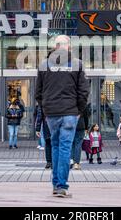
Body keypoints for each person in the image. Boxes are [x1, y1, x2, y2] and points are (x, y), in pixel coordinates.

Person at [35, 35, 90, 198]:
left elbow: (38, 92)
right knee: (65, 147)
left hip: (51, 113)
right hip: (70, 112)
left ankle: (56, 185)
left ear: (55, 46)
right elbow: (84, 91)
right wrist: (79, 110)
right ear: (68, 47)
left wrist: (45, 109)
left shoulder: (44, 65)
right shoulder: (77, 64)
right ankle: (61, 186)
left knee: (56, 146)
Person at [71, 104, 89, 170]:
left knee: (72, 143)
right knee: (78, 144)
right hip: (81, 125)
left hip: (71, 125)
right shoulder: (83, 104)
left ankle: (71, 160)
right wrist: (86, 128)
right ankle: (76, 163)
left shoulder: (70, 102)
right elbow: (86, 117)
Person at [35, 104, 52, 169]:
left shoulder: (43, 99)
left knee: (48, 143)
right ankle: (53, 162)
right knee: (54, 143)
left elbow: (39, 116)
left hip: (47, 124)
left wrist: (38, 129)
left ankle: (49, 162)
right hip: (55, 124)